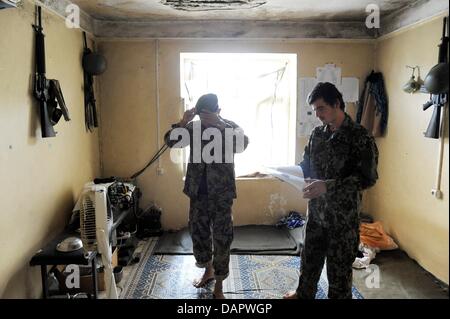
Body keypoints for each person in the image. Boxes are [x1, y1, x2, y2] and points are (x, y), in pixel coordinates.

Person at [284, 82, 379, 299]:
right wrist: (292, 174)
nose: (317, 115)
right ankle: (303, 294)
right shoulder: (317, 134)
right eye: (315, 109)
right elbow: (306, 163)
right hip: (316, 214)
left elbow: (368, 178)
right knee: (309, 261)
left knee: (339, 273)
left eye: (321, 108)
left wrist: (328, 186)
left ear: (337, 104)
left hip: (342, 220)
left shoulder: (360, 138)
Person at [164, 93, 249, 299]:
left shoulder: (228, 126)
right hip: (198, 193)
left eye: (210, 115)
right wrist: (184, 121)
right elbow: (171, 142)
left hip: (221, 194)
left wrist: (220, 125)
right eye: (203, 116)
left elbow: (243, 144)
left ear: (219, 111)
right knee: (199, 233)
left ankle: (219, 286)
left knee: (222, 238)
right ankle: (208, 270)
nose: (206, 121)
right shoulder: (193, 128)